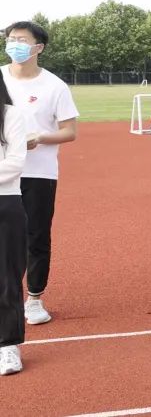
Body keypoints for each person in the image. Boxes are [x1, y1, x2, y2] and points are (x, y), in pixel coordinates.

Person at [1, 22, 78, 327]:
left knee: (36, 236)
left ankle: (34, 298)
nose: (14, 44)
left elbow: (69, 131)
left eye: (22, 40)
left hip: (38, 172)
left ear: (38, 47)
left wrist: (40, 138)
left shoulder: (54, 86)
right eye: (10, 39)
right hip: (3, 172)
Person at [0, 75, 27, 376]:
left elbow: (15, 162)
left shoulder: (10, 115)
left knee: (6, 278)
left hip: (4, 202)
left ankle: (8, 345)